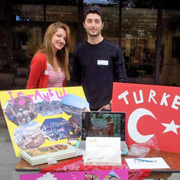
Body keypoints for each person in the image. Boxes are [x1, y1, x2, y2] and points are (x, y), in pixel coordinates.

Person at [71, 5, 127, 111]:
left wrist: (111, 104)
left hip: (107, 109)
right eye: (89, 21)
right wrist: (80, 104)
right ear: (84, 24)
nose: (93, 25)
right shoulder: (79, 50)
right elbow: (75, 81)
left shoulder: (114, 49)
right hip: (84, 109)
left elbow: (122, 80)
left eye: (97, 21)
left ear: (102, 25)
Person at [26, 22, 70, 89]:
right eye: (59, 36)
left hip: (60, 99)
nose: (62, 41)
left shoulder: (60, 58)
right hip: (44, 99)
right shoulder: (40, 58)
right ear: (50, 35)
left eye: (64, 39)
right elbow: (31, 87)